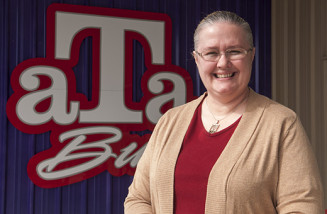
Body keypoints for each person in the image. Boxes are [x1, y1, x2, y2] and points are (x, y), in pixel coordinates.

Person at [124, 11, 324, 213]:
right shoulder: (170, 121)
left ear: (252, 55)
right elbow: (138, 198)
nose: (222, 63)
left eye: (235, 51)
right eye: (211, 53)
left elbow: (303, 207)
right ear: (196, 59)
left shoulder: (281, 124)